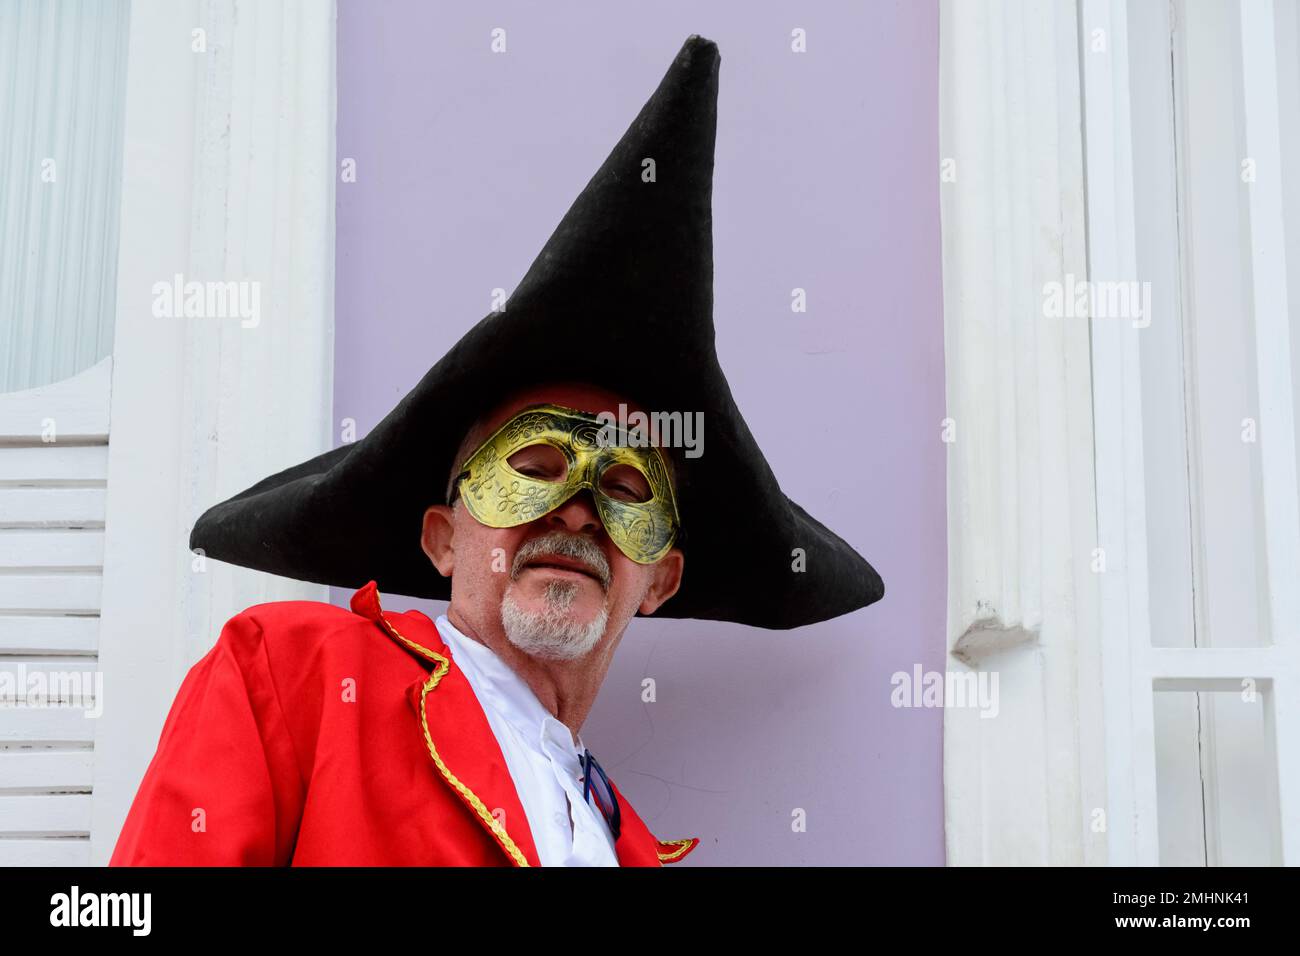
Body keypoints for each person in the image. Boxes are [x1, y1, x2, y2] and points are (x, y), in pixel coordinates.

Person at [110, 34, 883, 867]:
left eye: (626, 486)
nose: (579, 508)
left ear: (660, 578)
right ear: (443, 538)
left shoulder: (630, 850)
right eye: (536, 468)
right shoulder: (294, 682)